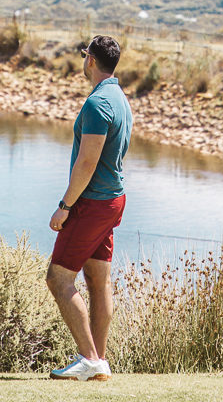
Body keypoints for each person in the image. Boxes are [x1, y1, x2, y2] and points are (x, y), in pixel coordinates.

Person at [46, 34, 133, 381]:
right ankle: (99, 363)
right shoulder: (120, 98)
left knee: (58, 277)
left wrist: (65, 206)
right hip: (112, 200)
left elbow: (87, 162)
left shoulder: (98, 104)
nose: (83, 61)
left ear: (91, 61)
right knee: (98, 281)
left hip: (92, 203)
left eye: (85, 56)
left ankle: (88, 358)